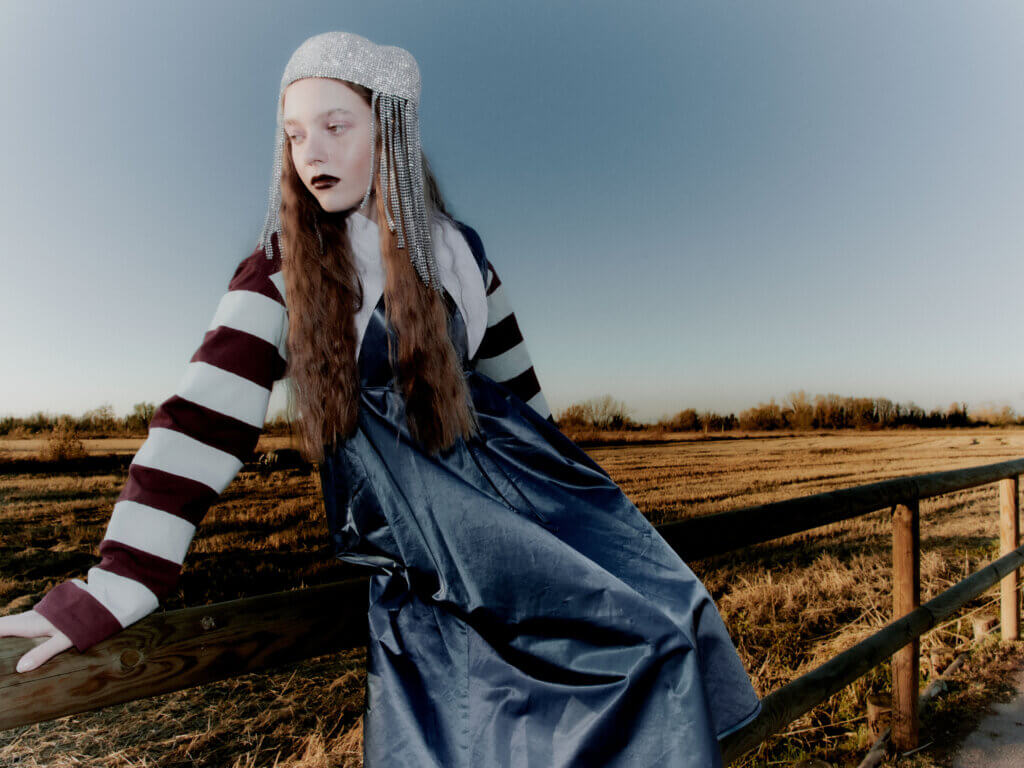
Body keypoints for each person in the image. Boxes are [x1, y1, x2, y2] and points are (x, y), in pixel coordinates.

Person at [2, 30, 761, 767]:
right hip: (428, 523)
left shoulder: (460, 253)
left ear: (390, 131)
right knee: (624, 656)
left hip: (522, 501)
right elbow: (202, 421)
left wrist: (587, 520)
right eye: (296, 135)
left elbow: (523, 399)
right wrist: (121, 577)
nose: (313, 154)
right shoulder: (278, 272)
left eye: (336, 125)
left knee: (677, 616)